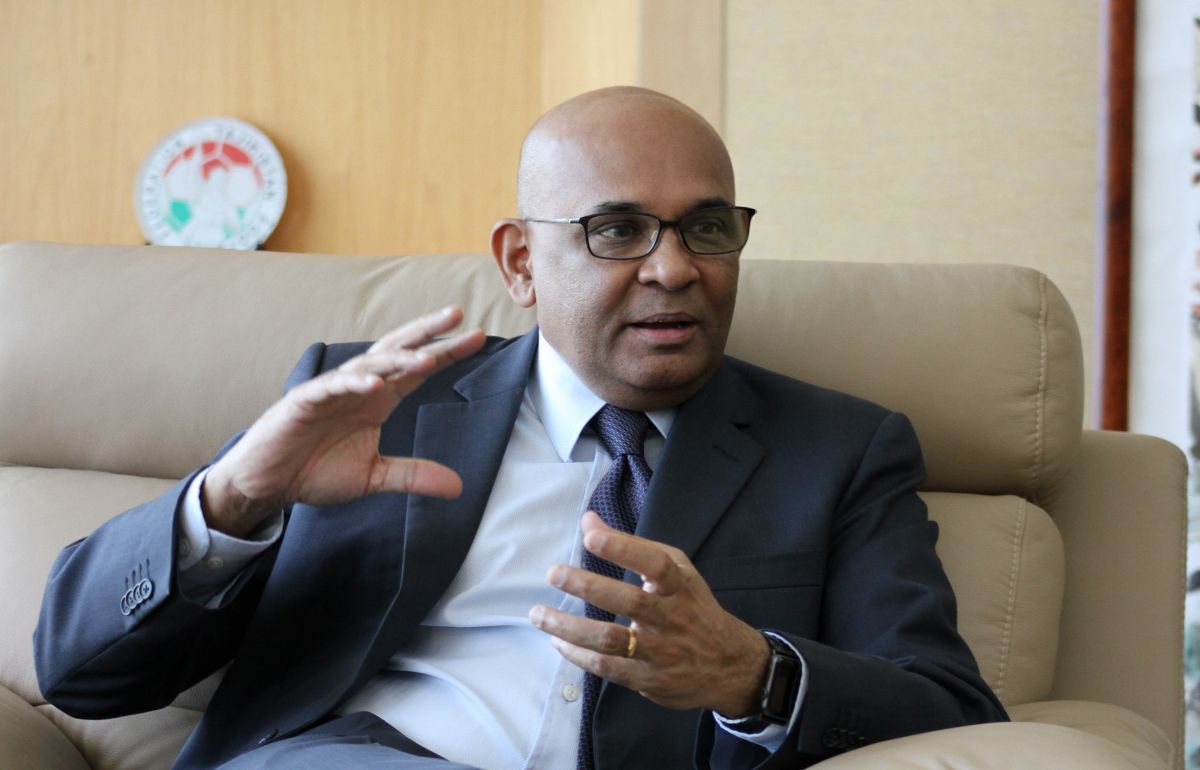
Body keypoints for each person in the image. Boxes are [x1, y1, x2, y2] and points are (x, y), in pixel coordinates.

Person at [34, 87, 1006, 769]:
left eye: (707, 227)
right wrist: (238, 495)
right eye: (617, 230)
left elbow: (953, 712)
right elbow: (78, 672)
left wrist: (751, 673)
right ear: (520, 264)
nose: (675, 268)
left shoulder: (837, 449)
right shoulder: (374, 399)